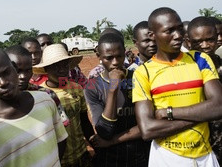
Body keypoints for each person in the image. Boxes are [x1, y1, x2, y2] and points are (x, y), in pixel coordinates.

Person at [133, 7, 222, 167]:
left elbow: (219, 106)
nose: (178, 35)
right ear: (152, 35)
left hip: (205, 156)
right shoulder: (143, 72)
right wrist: (202, 116)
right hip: (167, 157)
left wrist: (169, 113)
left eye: (180, 29)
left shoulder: (200, 60)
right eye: (170, 31)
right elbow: (148, 130)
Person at [0, 46, 68, 166]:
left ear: (14, 68)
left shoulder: (45, 100)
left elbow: (61, 140)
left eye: (6, 73)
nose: (3, 82)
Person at [84, 33, 150, 167]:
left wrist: (113, 140)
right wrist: (113, 88)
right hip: (109, 158)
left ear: (124, 53)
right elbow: (104, 131)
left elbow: (147, 125)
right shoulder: (92, 86)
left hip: (140, 155)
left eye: (119, 56)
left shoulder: (139, 77)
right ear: (99, 57)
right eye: (109, 58)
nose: (115, 62)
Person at [34, 44, 94, 167]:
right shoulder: (40, 95)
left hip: (80, 154)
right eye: (56, 66)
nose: (61, 70)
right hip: (57, 159)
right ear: (46, 69)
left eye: (65, 65)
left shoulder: (76, 88)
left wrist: (93, 143)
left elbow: (84, 121)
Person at [5, 45, 70, 126]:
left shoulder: (48, 94)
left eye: (28, 70)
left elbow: (62, 126)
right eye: (16, 70)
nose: (23, 76)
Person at [187, 16, 222, 165]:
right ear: (188, 43)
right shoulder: (184, 69)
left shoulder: (220, 65)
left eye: (210, 39)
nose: (205, 45)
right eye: (198, 42)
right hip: (197, 143)